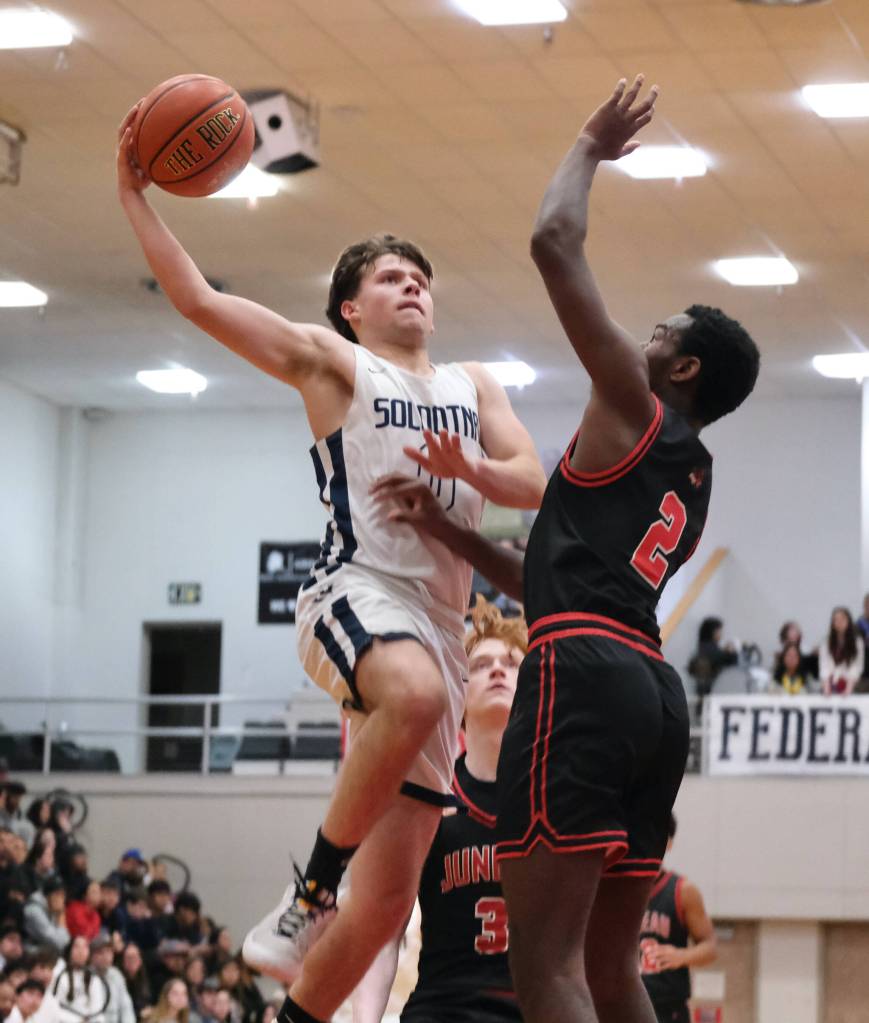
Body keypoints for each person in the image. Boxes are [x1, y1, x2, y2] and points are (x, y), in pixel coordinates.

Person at [117, 87, 545, 1023]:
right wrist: (136, 195)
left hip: (434, 621)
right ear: (351, 307)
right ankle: (306, 891)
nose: (413, 286)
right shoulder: (335, 364)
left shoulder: (476, 384)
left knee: (390, 902)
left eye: (422, 276)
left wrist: (463, 462)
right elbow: (196, 298)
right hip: (354, 591)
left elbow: (533, 482)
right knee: (422, 696)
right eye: (391, 277)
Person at [375, 76, 759, 1023]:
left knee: (545, 973)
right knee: (611, 966)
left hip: (581, 676)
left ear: (682, 367)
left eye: (661, 330)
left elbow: (553, 242)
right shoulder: (691, 473)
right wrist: (446, 525)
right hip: (649, 689)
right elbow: (553, 580)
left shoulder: (635, 401)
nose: (645, 332)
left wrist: (589, 143)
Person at [353, 598, 526, 1023]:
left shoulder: (558, 800)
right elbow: (385, 935)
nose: (499, 670)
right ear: (458, 695)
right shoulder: (429, 797)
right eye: (482, 665)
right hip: (442, 1008)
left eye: (512, 663)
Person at [640, 816, 717, 1023]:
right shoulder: (613, 892)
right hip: (621, 1003)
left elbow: (711, 947)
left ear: (668, 843)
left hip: (668, 1007)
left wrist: (682, 956)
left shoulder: (683, 891)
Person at [90, 933, 136, 1023]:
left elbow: (126, 1006)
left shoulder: (116, 975)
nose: (106, 956)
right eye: (100, 953)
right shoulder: (86, 976)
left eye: (109, 951)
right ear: (92, 956)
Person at [687, 618, 737, 699]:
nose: (721, 634)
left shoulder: (702, 647)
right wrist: (731, 651)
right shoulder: (711, 650)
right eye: (719, 631)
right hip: (707, 695)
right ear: (712, 632)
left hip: (701, 694)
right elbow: (731, 659)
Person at [819, 607, 864, 695]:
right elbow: (824, 665)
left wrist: (849, 687)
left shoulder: (857, 642)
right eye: (836, 619)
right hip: (830, 681)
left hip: (851, 682)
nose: (839, 622)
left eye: (842, 619)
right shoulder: (826, 642)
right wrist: (826, 685)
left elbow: (857, 666)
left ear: (848, 621)